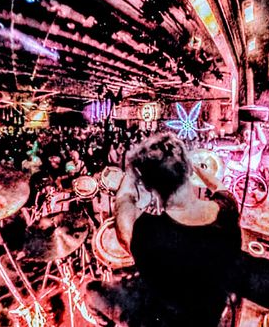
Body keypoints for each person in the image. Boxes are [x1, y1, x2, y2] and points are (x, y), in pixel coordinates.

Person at [85, 132, 242, 327]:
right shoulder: (227, 208)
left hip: (164, 319)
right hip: (210, 313)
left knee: (91, 292)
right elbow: (219, 186)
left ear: (148, 186)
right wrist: (194, 166)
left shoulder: (147, 232)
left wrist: (133, 170)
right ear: (188, 171)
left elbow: (123, 199)